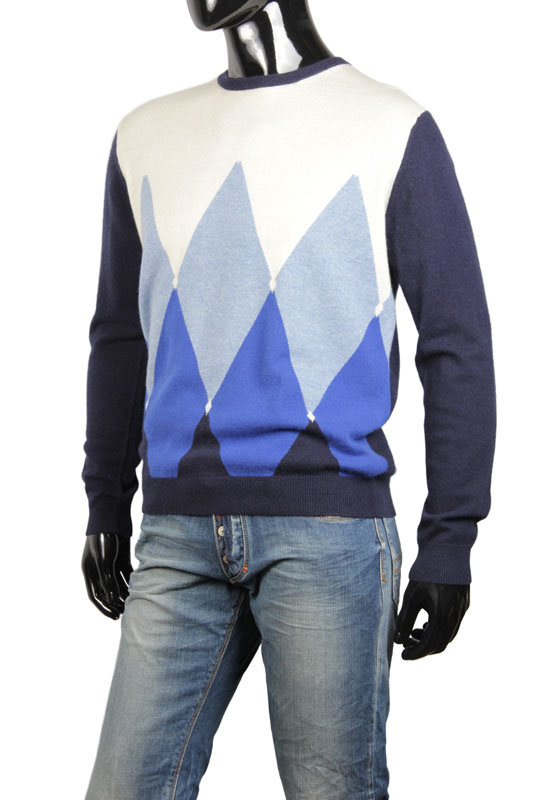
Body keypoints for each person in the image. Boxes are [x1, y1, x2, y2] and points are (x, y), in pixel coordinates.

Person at [81, 2, 497, 798]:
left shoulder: (391, 126)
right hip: (175, 534)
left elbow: (456, 344)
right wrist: (106, 500)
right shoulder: (144, 135)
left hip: (328, 533)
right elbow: (120, 336)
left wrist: (450, 540)